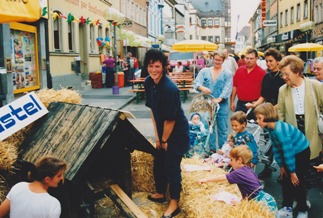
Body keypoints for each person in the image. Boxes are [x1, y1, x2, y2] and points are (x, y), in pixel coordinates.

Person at [144, 49, 189, 218]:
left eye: (157, 66)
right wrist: (157, 138)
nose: (153, 70)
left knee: (171, 166)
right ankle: (160, 193)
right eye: (150, 66)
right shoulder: (149, 82)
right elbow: (153, 113)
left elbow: (171, 120)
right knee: (159, 161)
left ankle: (174, 203)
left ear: (163, 67)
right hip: (162, 131)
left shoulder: (170, 89)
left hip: (176, 132)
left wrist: (164, 140)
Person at [254, 103, 311, 218]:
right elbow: (276, 148)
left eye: (259, 118)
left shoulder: (280, 131)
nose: (257, 121)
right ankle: (287, 207)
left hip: (300, 152)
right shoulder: (271, 129)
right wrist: (282, 166)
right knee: (285, 180)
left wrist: (292, 172)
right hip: (290, 152)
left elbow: (288, 151)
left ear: (268, 116)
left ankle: (303, 208)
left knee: (297, 181)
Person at [198, 145, 277, 213]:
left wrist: (206, 180)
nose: (230, 163)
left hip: (261, 203)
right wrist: (240, 203)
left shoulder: (239, 173)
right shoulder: (248, 170)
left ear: (239, 160)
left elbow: (223, 177)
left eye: (231, 160)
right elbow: (249, 191)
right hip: (267, 199)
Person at [277, 55, 323, 171]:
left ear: (297, 71)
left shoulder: (316, 86)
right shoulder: (282, 90)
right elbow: (281, 117)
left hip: (313, 138)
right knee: (295, 178)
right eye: (282, 74)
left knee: (311, 175)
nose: (284, 77)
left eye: (287, 74)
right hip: (293, 139)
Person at [245, 48, 285, 178]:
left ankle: (283, 171)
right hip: (268, 112)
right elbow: (263, 96)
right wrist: (254, 104)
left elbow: (286, 99)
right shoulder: (267, 76)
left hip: (280, 111)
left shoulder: (283, 76)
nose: (268, 64)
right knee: (268, 140)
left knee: (279, 142)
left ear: (278, 61)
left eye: (271, 61)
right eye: (267, 61)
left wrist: (272, 109)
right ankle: (267, 168)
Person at [0, 156, 67, 218]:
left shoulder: (19, 187)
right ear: (47, 179)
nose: (61, 178)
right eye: (59, 176)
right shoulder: (53, 204)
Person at [194, 50, 233, 153]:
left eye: (220, 60)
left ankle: (222, 151)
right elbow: (197, 83)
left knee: (222, 129)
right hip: (208, 105)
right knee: (209, 128)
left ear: (223, 60)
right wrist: (203, 88)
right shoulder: (204, 71)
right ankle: (211, 150)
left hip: (222, 105)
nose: (217, 62)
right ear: (212, 59)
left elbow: (228, 88)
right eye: (216, 59)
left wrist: (219, 99)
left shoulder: (227, 73)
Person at [230, 49, 266, 120]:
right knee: (238, 126)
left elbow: (264, 92)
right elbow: (235, 87)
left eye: (251, 58)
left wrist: (258, 103)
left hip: (255, 105)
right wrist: (232, 102)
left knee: (254, 127)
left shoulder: (262, 73)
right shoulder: (239, 70)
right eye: (247, 58)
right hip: (240, 104)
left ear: (256, 58)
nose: (249, 60)